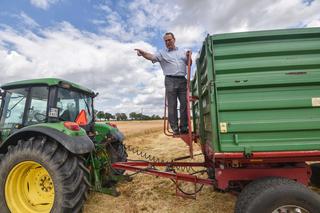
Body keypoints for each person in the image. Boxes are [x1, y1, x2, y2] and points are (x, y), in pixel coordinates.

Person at [135, 32, 191, 135]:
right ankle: (175, 129)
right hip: (170, 80)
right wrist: (143, 53)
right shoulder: (162, 53)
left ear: (174, 39)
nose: (168, 42)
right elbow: (151, 57)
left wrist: (189, 57)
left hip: (183, 80)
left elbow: (189, 63)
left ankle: (184, 127)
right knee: (172, 105)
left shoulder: (182, 51)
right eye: (166, 41)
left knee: (184, 104)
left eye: (169, 40)